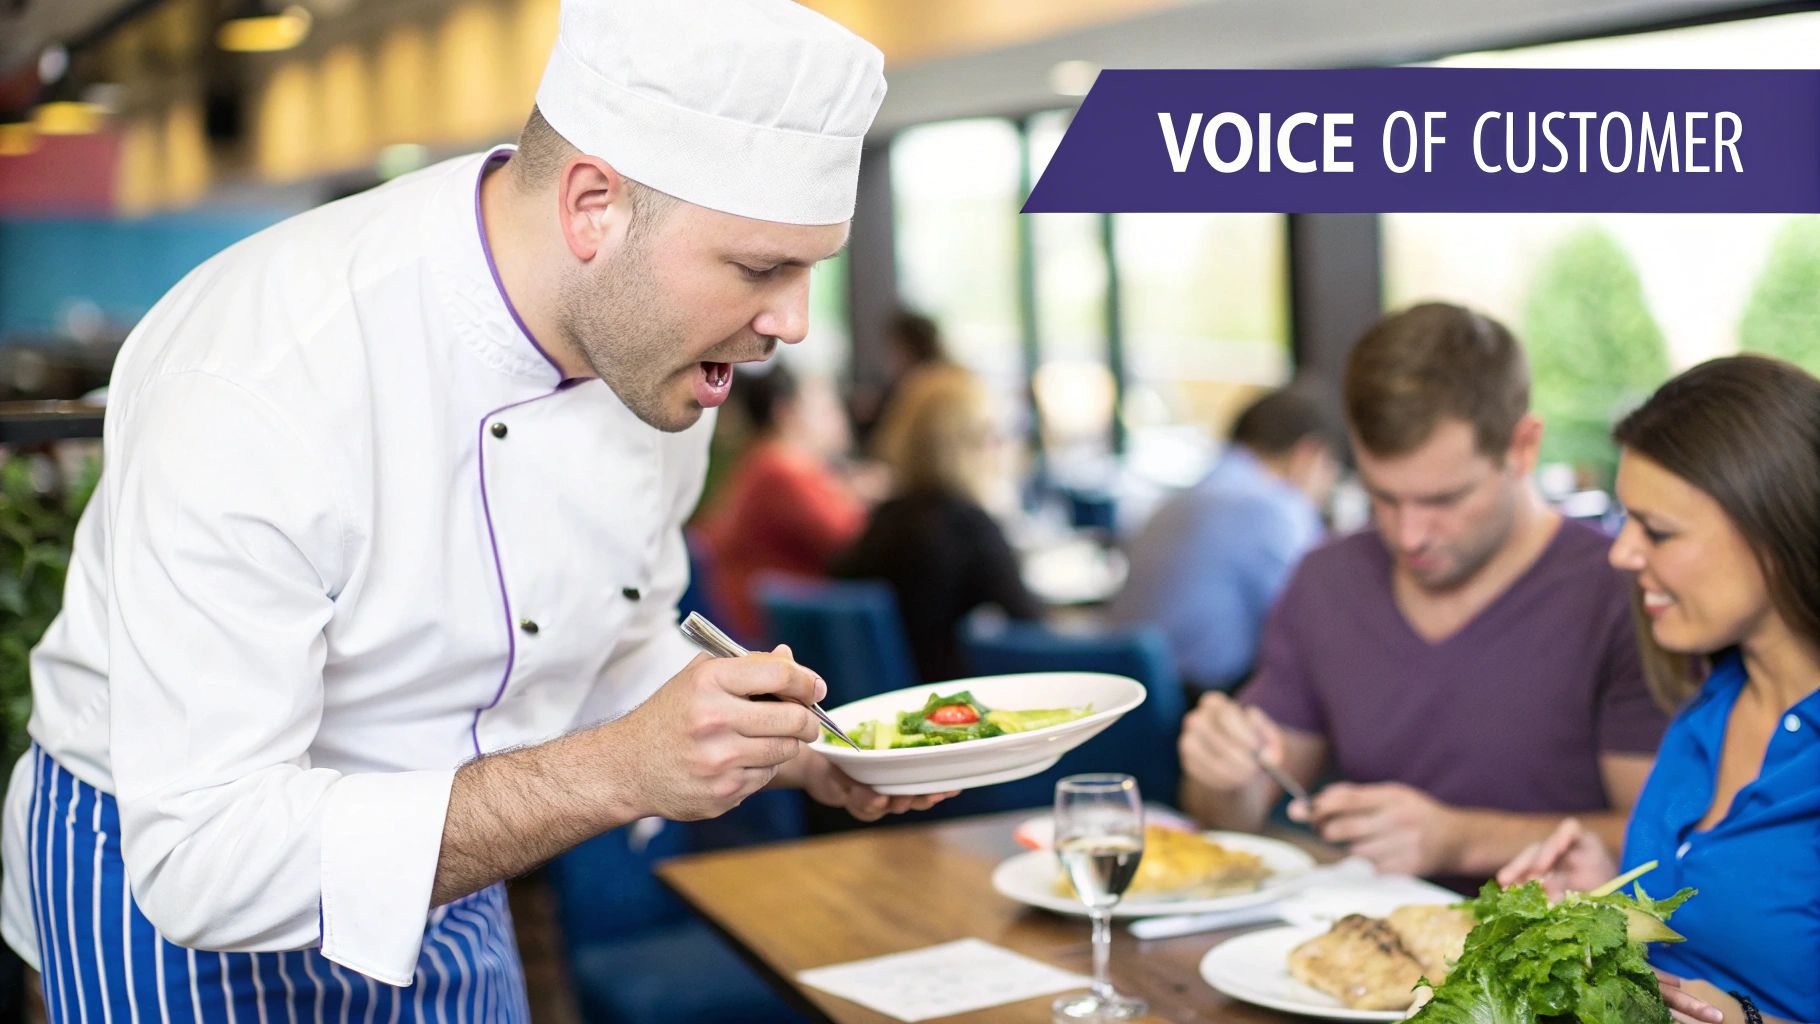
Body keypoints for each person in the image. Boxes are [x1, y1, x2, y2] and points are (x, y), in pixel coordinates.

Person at [0, 4, 951, 1021]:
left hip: (457, 848)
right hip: (171, 873)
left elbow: (617, 638)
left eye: (811, 268)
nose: (793, 323)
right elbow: (208, 854)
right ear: (593, 206)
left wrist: (792, 742)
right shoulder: (262, 370)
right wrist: (615, 770)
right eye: (759, 268)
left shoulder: (662, 356)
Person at [1178, 303, 1667, 887]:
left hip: (1553, 962)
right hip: (1364, 949)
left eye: (1443, 501)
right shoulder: (1327, 580)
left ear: (1522, 447)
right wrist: (1221, 777)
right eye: (1383, 496)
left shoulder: (1624, 591)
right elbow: (1234, 813)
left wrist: (1458, 840)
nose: (1410, 535)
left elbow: (1666, 843)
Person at [1499, 355, 1820, 1024]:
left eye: (1659, 531)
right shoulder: (1711, 707)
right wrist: (1613, 900)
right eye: (1627, 521)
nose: (1621, 552)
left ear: (1776, 529)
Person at [1106, 385, 1342, 693]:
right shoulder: (1273, 505)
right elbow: (1316, 625)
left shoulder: (1175, 501)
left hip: (1127, 701)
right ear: (1309, 455)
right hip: (1200, 706)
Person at [833, 366, 1042, 682]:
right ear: (970, 446)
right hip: (952, 707)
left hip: (886, 703)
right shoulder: (969, 526)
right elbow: (1032, 625)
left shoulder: (884, 519)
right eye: (993, 436)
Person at [699, 361, 867, 638]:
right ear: (785, 412)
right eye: (826, 409)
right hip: (772, 633)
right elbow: (850, 540)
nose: (839, 418)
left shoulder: (767, 459)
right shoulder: (780, 469)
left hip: (775, 620)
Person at [849, 309, 949, 450]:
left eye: (894, 349)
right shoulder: (948, 380)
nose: (890, 360)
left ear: (909, 348)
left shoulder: (920, 389)